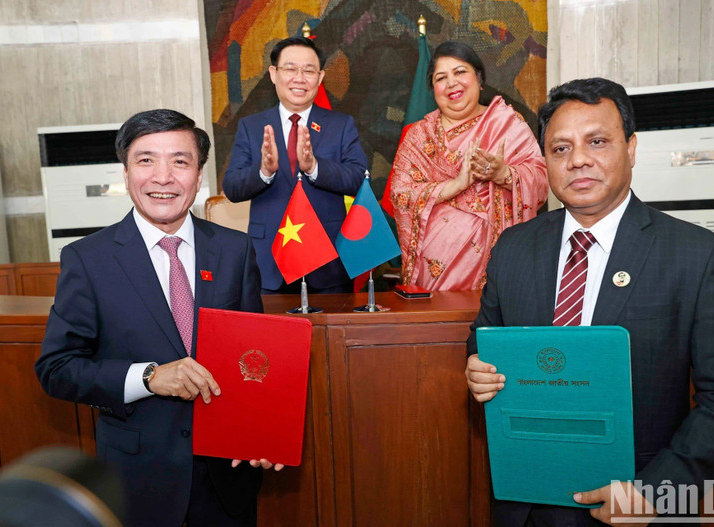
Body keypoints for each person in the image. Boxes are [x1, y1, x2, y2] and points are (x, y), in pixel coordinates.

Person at [465, 78, 714, 526]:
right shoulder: (513, 247)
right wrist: (476, 368)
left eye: (597, 141)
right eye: (560, 148)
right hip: (526, 501)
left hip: (636, 501)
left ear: (632, 148)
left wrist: (657, 491)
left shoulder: (695, 256)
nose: (578, 160)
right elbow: (483, 340)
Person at [35, 109, 281, 527]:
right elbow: (57, 369)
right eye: (146, 160)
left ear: (198, 176)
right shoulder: (88, 259)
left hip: (227, 477)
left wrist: (260, 433)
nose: (163, 177)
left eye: (180, 161)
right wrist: (148, 377)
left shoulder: (235, 250)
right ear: (126, 172)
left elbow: (253, 358)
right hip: (137, 480)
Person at [390, 41, 548, 291]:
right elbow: (400, 194)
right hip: (435, 276)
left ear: (479, 79)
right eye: (441, 78)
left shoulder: (507, 124)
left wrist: (504, 174)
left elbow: (541, 182)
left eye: (460, 72)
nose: (451, 83)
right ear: (433, 89)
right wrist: (456, 185)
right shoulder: (419, 136)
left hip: (498, 265)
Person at [223, 36, 368, 294]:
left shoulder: (340, 125)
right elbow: (232, 187)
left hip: (327, 264)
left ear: (320, 78)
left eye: (309, 71)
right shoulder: (251, 127)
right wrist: (264, 172)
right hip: (269, 264)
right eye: (290, 69)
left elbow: (359, 179)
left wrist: (314, 167)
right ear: (273, 74)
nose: (299, 78)